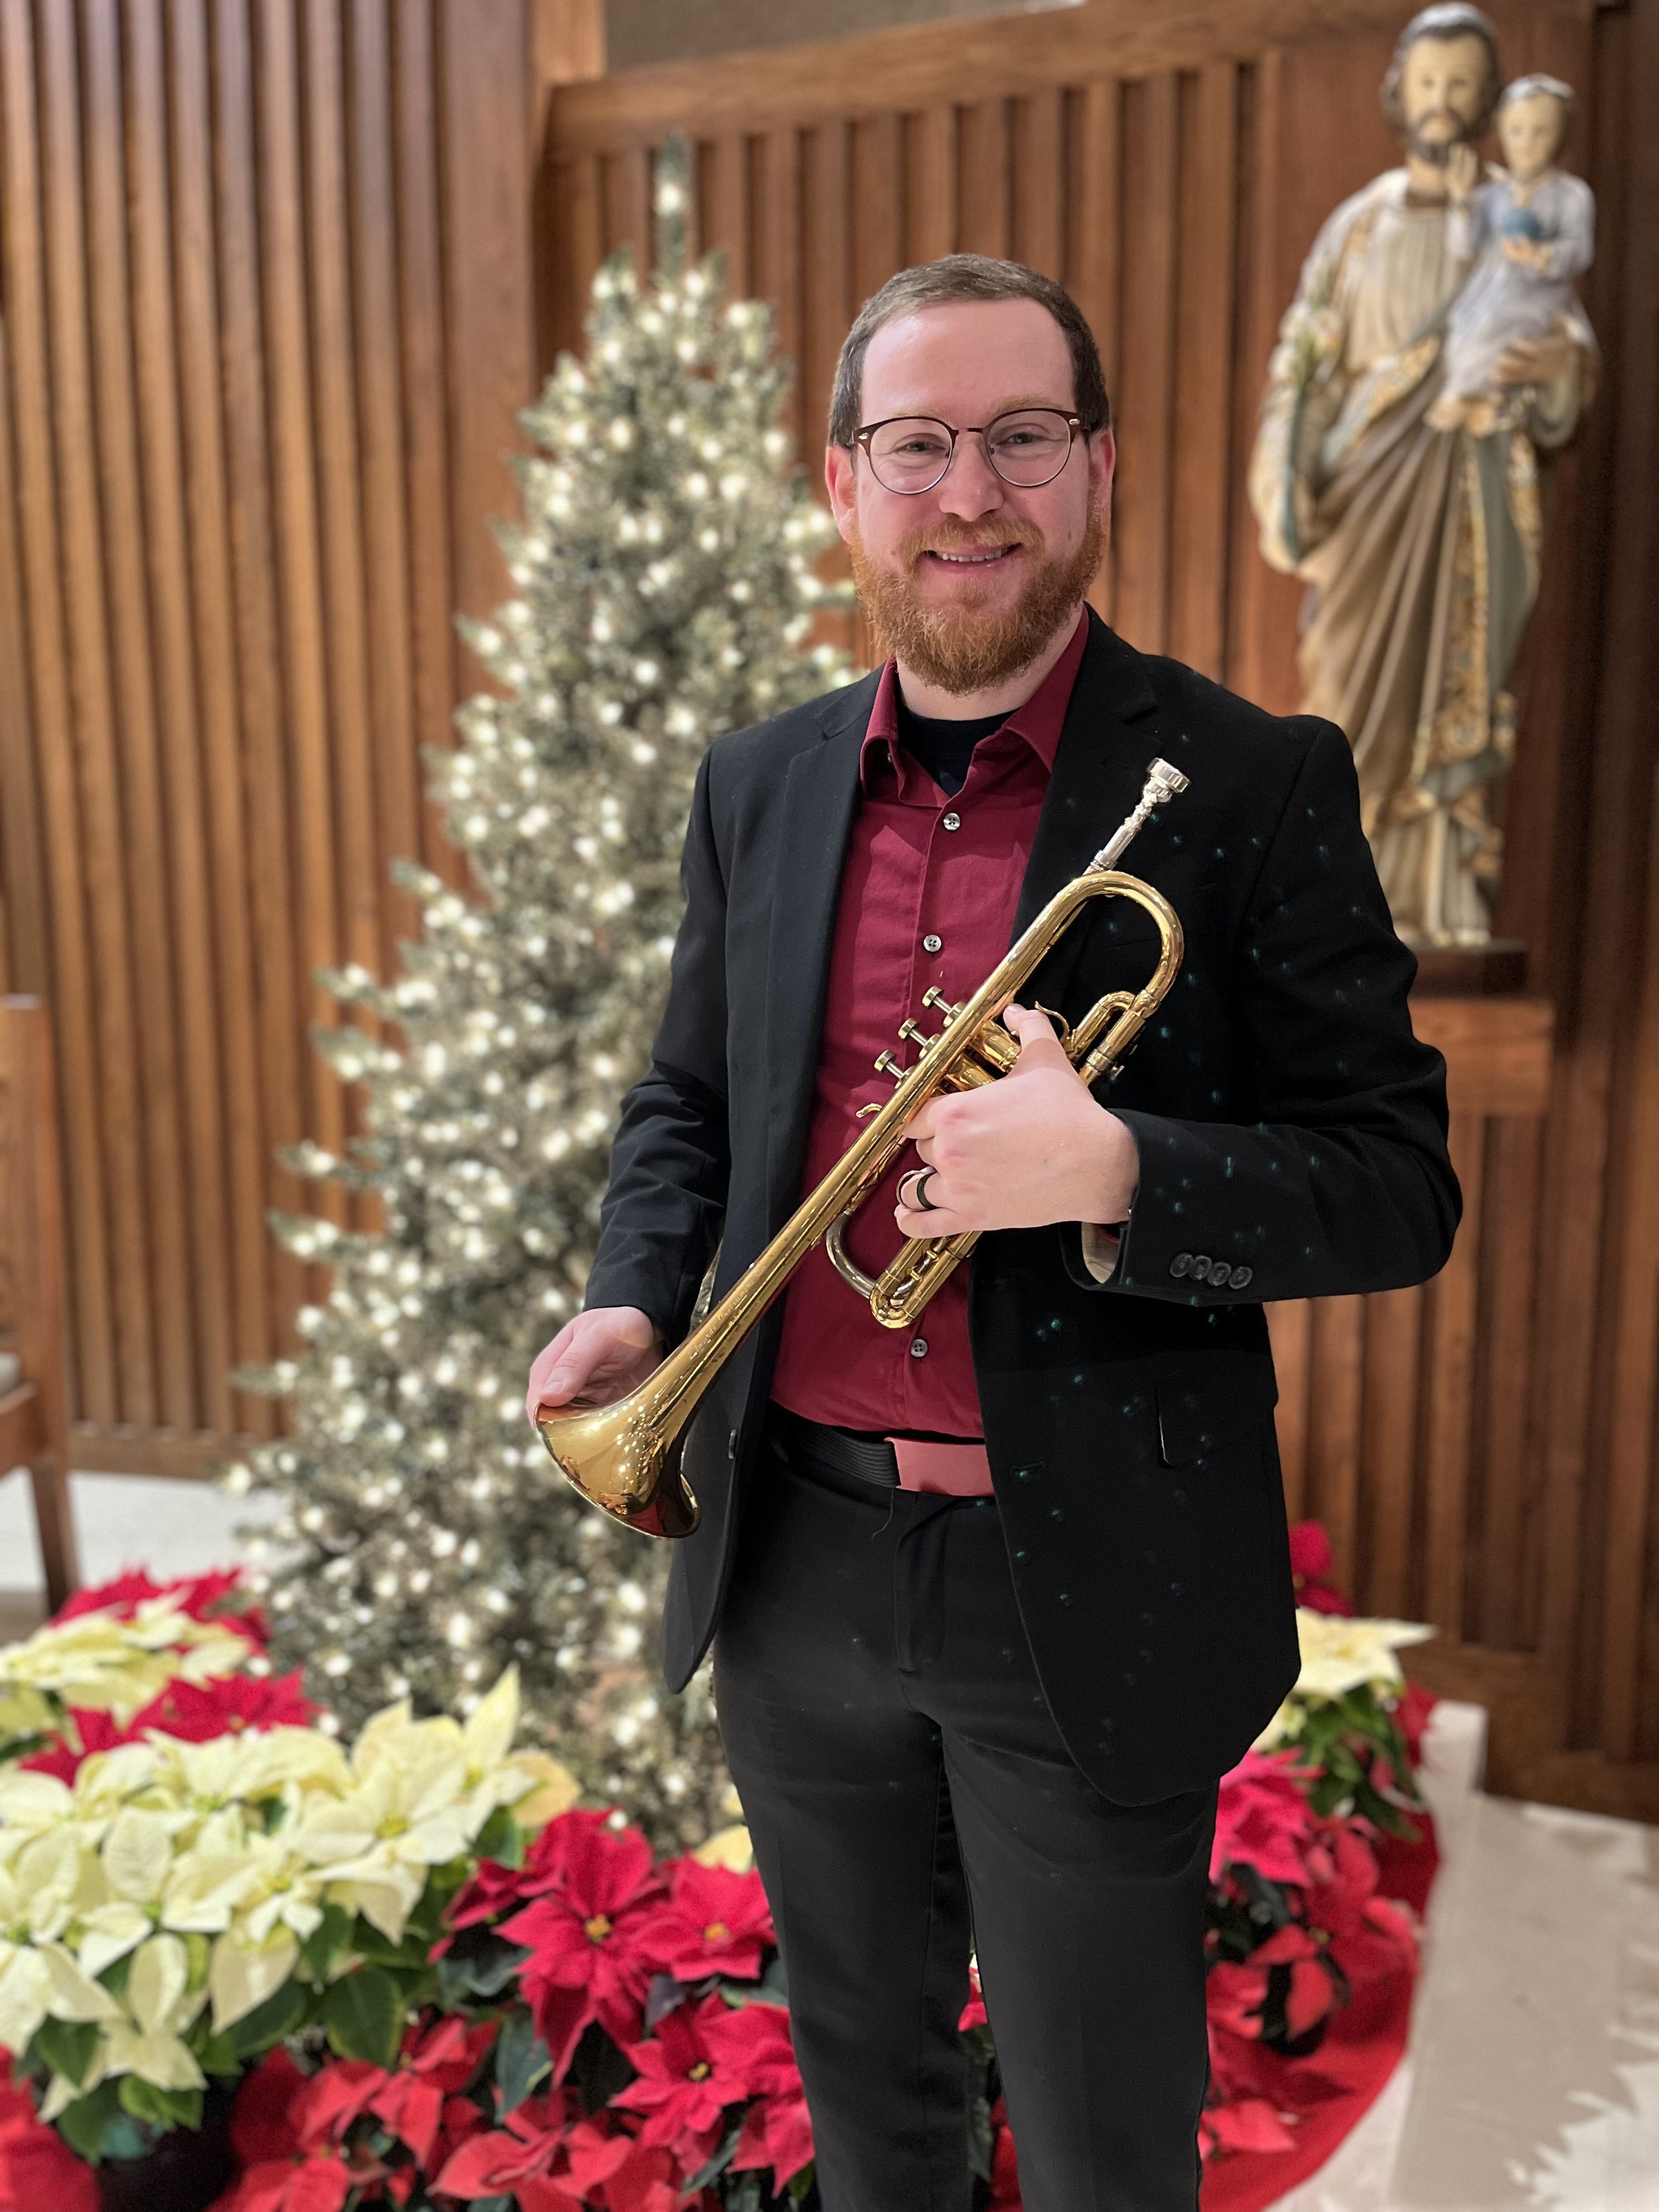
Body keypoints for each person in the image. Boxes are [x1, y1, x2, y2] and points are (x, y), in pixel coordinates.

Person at [526, 254, 1459, 2212]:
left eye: (1019, 436)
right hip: (791, 1556)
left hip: (1082, 1582)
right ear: (844, 479)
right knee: (870, 2120)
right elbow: (684, 1104)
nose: (969, 491)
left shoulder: (1251, 782)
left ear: (1095, 467)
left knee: (1107, 2149)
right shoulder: (756, 782)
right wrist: (630, 1300)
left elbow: (1390, 1180)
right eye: (919, 442)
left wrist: (1111, 1166)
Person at [1248, 5, 1595, 947]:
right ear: (1398, 91)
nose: (1442, 102)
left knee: (1459, 679)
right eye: (1427, 82)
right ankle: (1332, 910)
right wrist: (1290, 479)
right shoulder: (1359, 227)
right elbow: (1304, 360)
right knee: (1341, 698)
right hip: (1367, 497)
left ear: (1488, 99)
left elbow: (1556, 327)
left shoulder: (1514, 213)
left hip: (1470, 490)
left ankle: (1438, 906)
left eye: (1462, 85)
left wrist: (1556, 370)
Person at [1430, 75, 1594, 432]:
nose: (1528, 143)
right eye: (1517, 131)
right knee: (1463, 323)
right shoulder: (1493, 197)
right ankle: (1473, 398)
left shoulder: (1571, 195)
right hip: (1490, 289)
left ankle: (1472, 398)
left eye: (1541, 132)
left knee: (1498, 328)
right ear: (1502, 135)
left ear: (1560, 135)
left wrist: (1541, 257)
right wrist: (1460, 202)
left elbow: (1580, 250)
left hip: (1536, 295)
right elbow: (1462, 246)